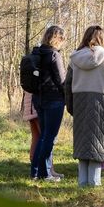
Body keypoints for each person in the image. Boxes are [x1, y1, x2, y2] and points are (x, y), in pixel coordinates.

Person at [64, 25, 104, 187]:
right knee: (98, 143)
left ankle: (82, 183)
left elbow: (67, 84)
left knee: (83, 143)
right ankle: (94, 183)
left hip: (80, 101)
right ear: (101, 39)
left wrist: (70, 106)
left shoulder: (74, 58)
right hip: (102, 102)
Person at [30, 26, 67, 181]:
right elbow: (61, 80)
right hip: (53, 99)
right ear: (57, 38)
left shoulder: (37, 52)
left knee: (43, 136)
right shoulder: (54, 55)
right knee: (49, 137)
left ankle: (36, 172)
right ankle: (45, 174)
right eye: (62, 39)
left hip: (38, 98)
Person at [22, 90, 61, 178]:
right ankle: (45, 170)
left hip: (31, 104)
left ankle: (38, 170)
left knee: (37, 138)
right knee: (45, 138)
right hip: (36, 104)